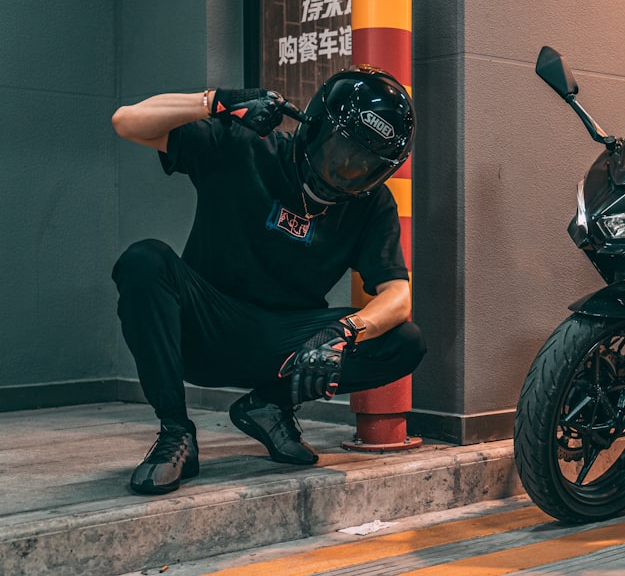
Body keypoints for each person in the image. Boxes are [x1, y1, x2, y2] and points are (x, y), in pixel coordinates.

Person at [111, 65, 425, 495]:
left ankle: (269, 407)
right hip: (204, 326)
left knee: (403, 341)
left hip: (284, 345)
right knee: (144, 260)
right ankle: (175, 434)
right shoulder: (246, 145)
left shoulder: (371, 207)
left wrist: (343, 332)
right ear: (314, 127)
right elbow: (126, 121)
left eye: (366, 165)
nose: (348, 168)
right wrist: (215, 101)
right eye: (341, 149)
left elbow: (398, 295)